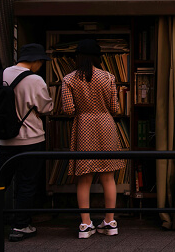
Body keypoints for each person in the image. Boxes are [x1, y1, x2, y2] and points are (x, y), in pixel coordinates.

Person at [0, 43, 54, 242]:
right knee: (27, 183)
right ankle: (20, 226)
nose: (41, 65)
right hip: (31, 138)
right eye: (41, 62)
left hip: (5, 139)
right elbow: (46, 108)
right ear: (35, 60)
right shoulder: (35, 80)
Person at [60, 39, 125, 239]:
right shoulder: (108, 77)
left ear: (78, 57)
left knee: (84, 178)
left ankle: (85, 224)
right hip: (106, 125)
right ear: (98, 57)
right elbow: (115, 108)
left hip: (83, 126)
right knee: (108, 177)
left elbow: (68, 109)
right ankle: (110, 222)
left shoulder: (69, 79)